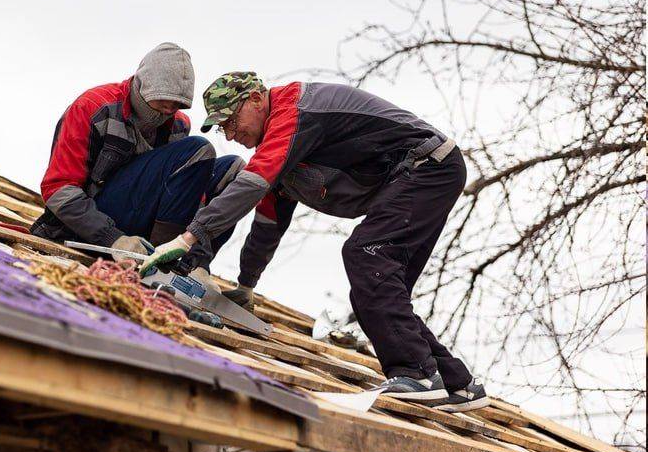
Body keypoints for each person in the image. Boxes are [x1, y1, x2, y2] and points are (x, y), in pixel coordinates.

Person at [140, 72, 490, 412]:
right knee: (377, 289)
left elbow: (250, 185)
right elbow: (266, 225)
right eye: (223, 129)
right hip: (426, 174)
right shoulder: (283, 153)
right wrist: (246, 286)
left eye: (231, 121)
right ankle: (456, 383)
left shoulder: (292, 111)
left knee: (366, 257)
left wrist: (189, 237)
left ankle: (416, 375)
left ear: (256, 99)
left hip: (427, 166)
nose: (231, 135)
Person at [30, 44, 244, 290]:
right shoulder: (93, 108)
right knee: (198, 149)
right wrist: (113, 238)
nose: (169, 110)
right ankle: (161, 268)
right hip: (88, 229)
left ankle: (190, 268)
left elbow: (185, 196)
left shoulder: (178, 125)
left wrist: (200, 260)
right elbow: (58, 189)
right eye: (163, 101)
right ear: (143, 86)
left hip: (141, 232)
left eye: (176, 105)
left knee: (234, 172)